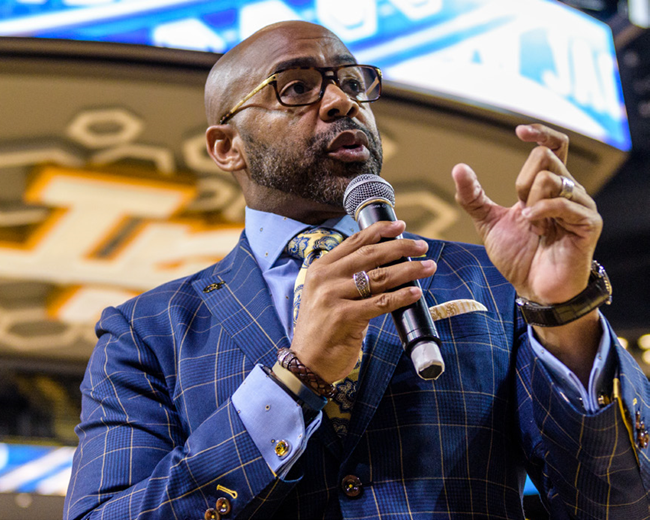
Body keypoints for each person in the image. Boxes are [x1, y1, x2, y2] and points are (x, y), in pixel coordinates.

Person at [63, 20, 650, 520]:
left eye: (350, 82)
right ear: (226, 146)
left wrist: (564, 310)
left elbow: (618, 503)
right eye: (295, 88)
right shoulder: (147, 330)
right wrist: (294, 380)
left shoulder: (490, 281)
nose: (342, 101)